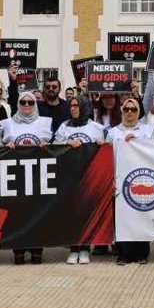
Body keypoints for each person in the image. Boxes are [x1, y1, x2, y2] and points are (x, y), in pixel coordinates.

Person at [0, 90, 55, 265]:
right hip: (15, 175)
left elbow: (54, 145)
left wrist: (48, 145)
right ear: (18, 104)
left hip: (39, 175)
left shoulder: (44, 123)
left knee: (38, 212)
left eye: (31, 102)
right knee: (17, 213)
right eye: (23, 102)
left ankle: (37, 249)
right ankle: (19, 250)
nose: (27, 105)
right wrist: (5, 145)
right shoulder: (9, 124)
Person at [54, 96, 105, 265]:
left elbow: (103, 150)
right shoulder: (64, 127)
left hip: (88, 177)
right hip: (69, 177)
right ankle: (73, 248)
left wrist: (100, 144)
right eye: (71, 105)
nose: (73, 108)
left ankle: (85, 248)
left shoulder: (96, 127)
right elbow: (55, 146)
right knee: (71, 214)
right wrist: (67, 143)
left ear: (85, 107)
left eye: (77, 105)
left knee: (86, 212)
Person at [109, 97, 154, 265]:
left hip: (142, 179)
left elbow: (153, 151)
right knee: (122, 217)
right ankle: (123, 253)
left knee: (141, 215)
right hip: (119, 180)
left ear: (138, 112)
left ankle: (142, 253)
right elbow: (107, 157)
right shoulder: (113, 132)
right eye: (126, 109)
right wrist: (110, 178)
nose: (129, 112)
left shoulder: (148, 130)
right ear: (122, 111)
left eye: (133, 109)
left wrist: (137, 142)